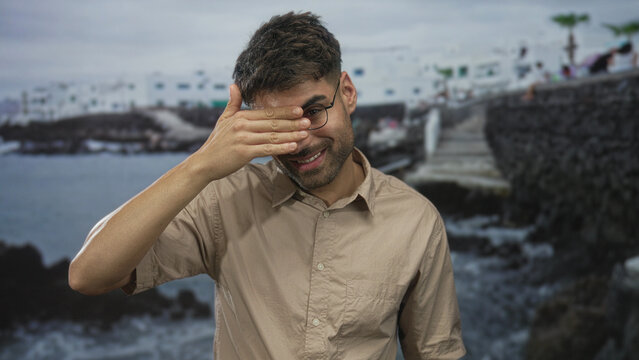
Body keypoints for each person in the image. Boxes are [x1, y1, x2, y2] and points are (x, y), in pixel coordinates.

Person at [69, 12, 465, 359]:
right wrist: (202, 164)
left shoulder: (416, 221)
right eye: (278, 124)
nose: (302, 139)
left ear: (347, 92)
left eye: (313, 111)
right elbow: (89, 276)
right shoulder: (225, 201)